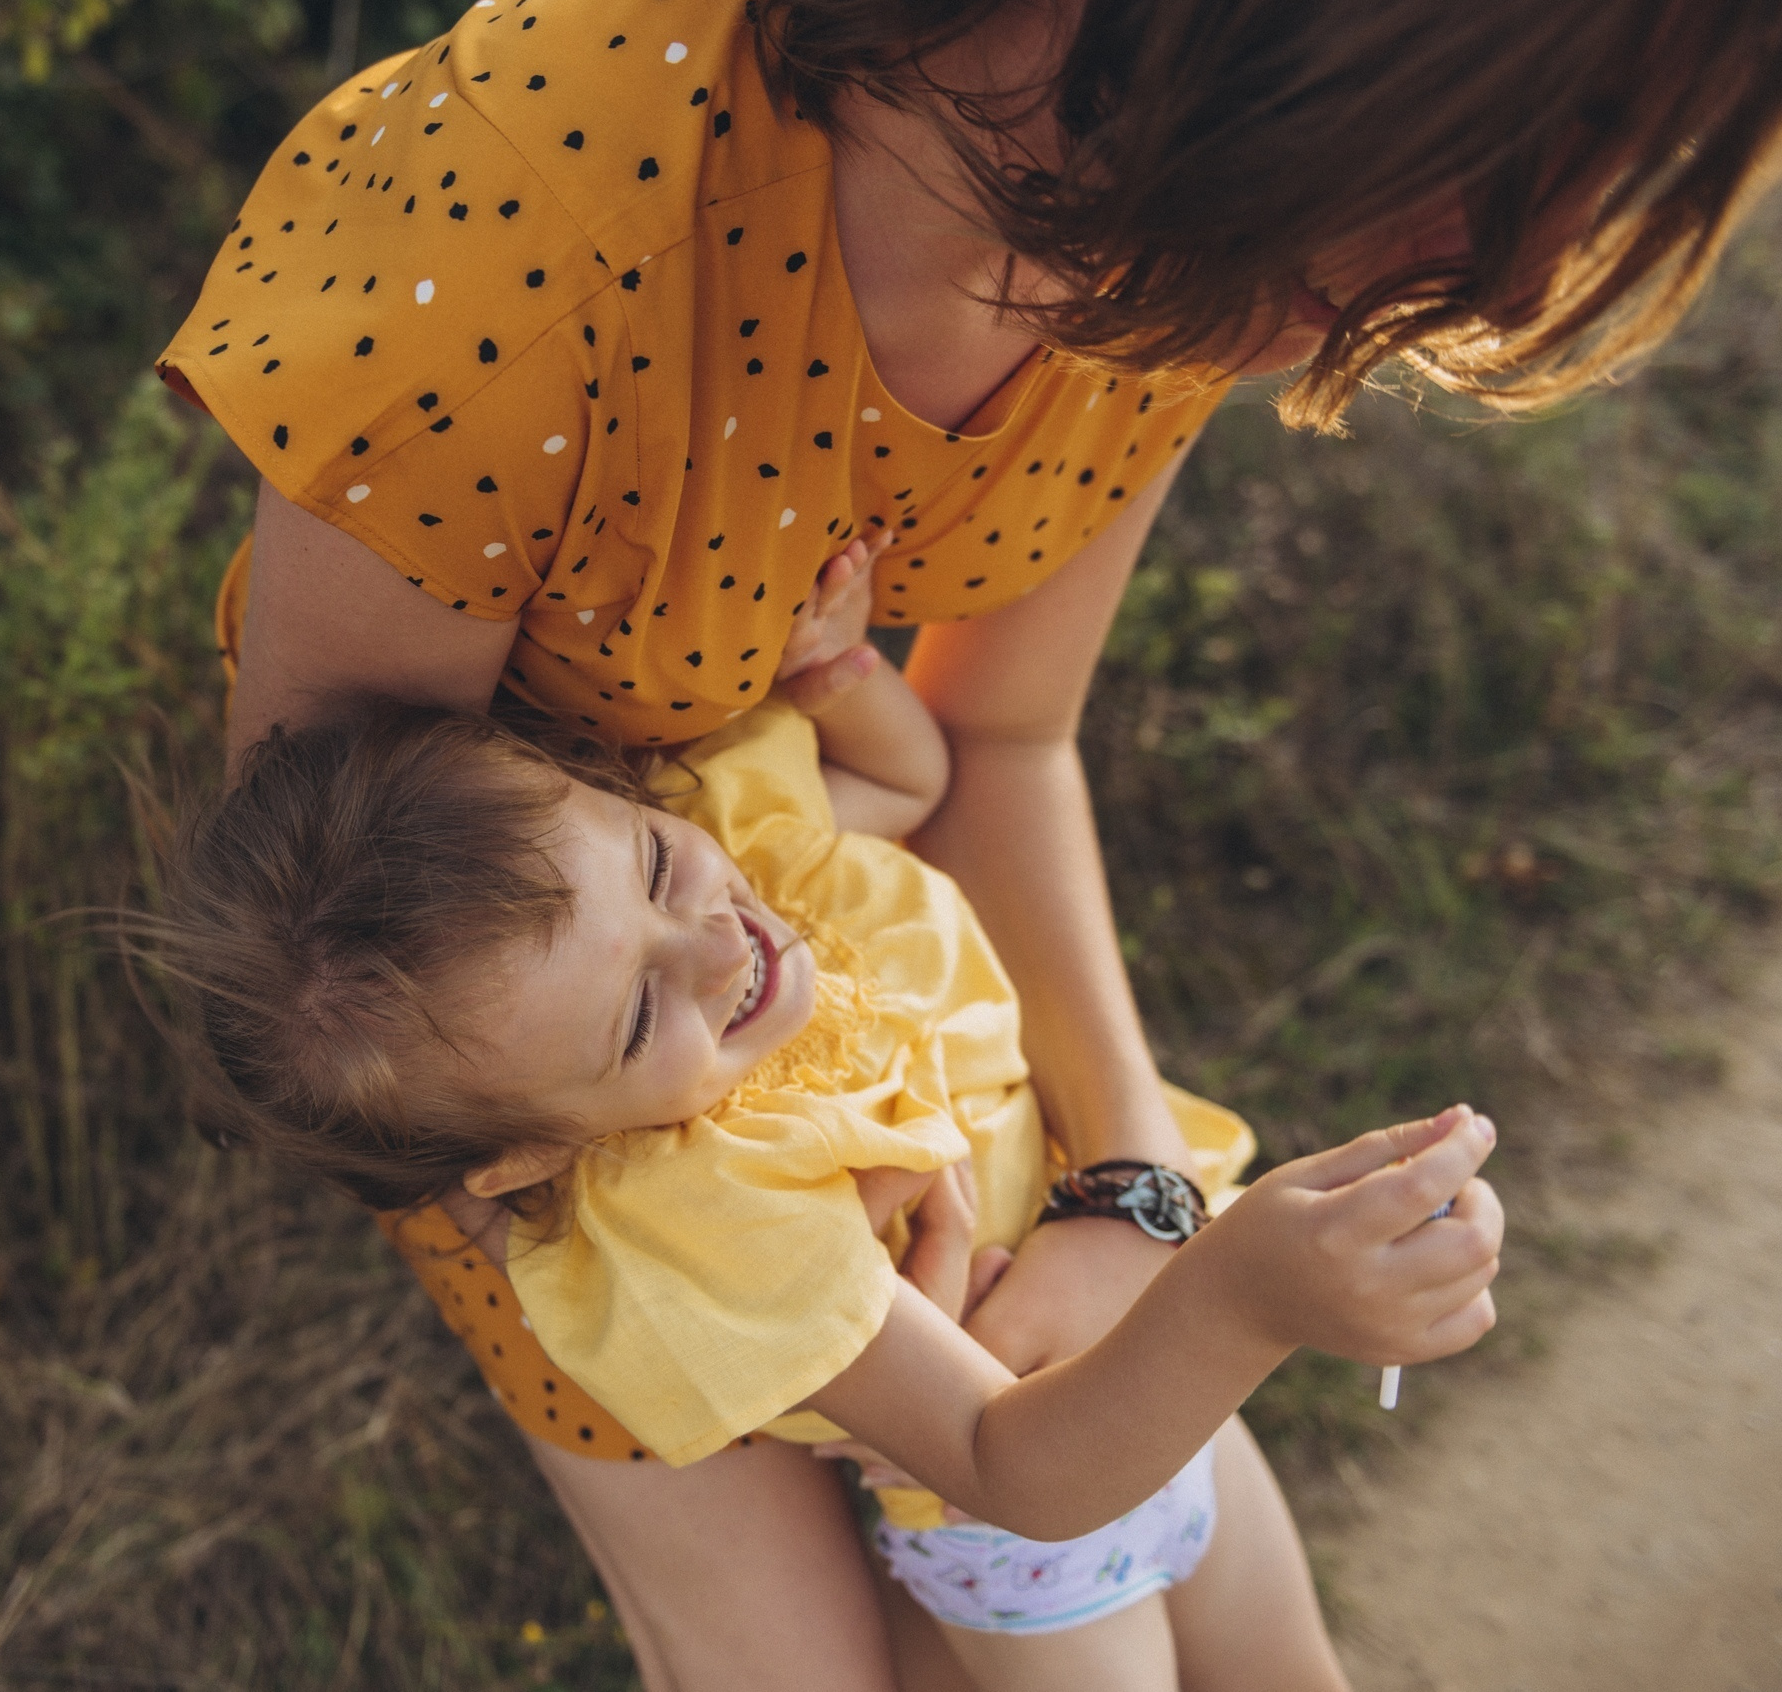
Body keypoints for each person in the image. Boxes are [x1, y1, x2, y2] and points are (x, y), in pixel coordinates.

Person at [151, 0, 1782, 1683]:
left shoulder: (1182, 232)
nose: (1511, 280)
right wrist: (760, 1297)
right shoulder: (537, 226)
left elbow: (990, 741)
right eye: (1503, 154)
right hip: (614, 1198)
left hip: (1006, 1277)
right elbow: (378, 975)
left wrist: (1132, 1200)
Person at [136, 640, 1503, 1691]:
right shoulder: (701, 1207)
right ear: (530, 1150)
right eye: (636, 1017)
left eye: (663, 869)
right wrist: (1247, 1295)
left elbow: (911, 778)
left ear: (622, 797)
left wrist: (848, 676)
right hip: (1035, 1551)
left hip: (1167, 1403)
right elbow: (999, 1458)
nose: (724, 947)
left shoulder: (737, 850)